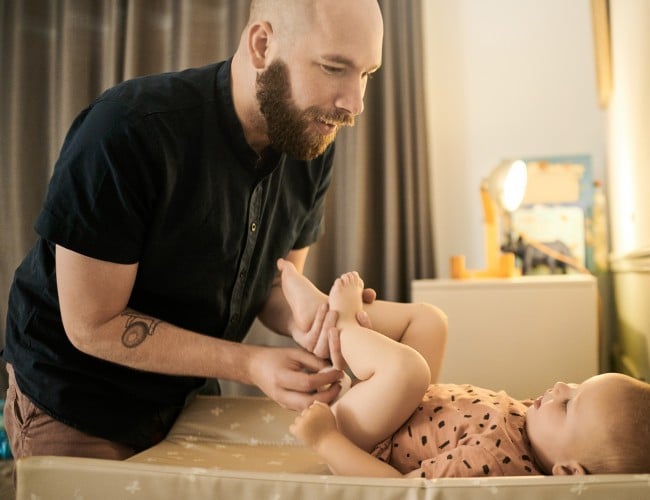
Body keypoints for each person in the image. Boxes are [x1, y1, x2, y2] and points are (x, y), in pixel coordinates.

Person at [2, 0, 446, 461]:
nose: (354, 104)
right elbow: (91, 324)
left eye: (366, 73)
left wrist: (316, 314)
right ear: (261, 45)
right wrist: (250, 363)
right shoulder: (128, 130)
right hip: (74, 396)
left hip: (182, 397)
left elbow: (272, 283)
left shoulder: (311, 138)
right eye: (334, 67)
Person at [280, 260, 650, 478]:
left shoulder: (500, 464)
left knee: (411, 372)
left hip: (368, 439)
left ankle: (338, 320)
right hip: (401, 410)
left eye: (568, 405)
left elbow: (400, 489)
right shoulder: (531, 426)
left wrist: (325, 440)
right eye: (576, 384)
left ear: (569, 470)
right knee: (432, 321)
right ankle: (323, 323)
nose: (559, 386)